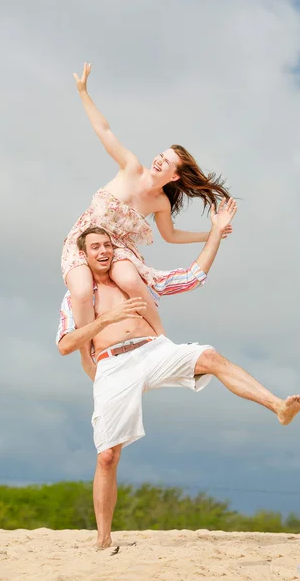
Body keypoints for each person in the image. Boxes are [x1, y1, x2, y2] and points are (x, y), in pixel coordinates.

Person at [56, 200, 300, 549]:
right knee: (107, 455)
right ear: (83, 254)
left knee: (211, 356)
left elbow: (190, 276)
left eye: (108, 245)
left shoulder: (133, 278)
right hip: (113, 364)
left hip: (152, 349)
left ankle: (278, 406)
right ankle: (103, 537)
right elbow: (65, 345)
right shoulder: (76, 297)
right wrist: (107, 320)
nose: (104, 251)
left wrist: (215, 232)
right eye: (95, 247)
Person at [63, 62, 232, 379]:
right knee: (83, 292)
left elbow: (170, 236)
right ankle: (88, 357)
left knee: (129, 281)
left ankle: (160, 338)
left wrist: (211, 234)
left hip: (119, 248)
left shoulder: (160, 203)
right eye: (160, 154)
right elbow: (105, 130)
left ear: (175, 175)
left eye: (166, 161)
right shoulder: (130, 167)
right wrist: (83, 92)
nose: (158, 159)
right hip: (84, 240)